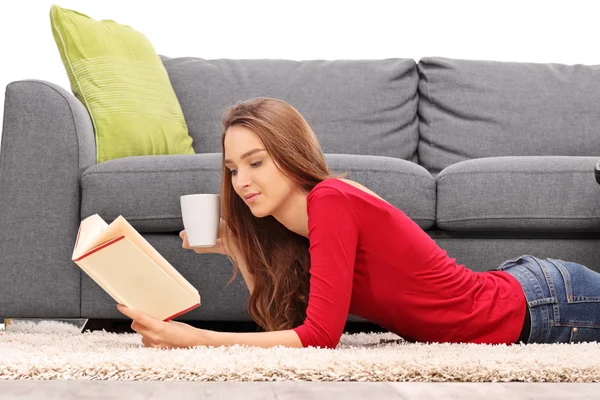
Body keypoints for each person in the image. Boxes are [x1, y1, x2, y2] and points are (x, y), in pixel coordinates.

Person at [117, 98, 600, 349]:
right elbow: (283, 325)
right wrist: (236, 249)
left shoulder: (330, 202)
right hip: (521, 285)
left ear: (289, 155)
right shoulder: (297, 226)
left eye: (256, 162)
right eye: (233, 169)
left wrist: (197, 339)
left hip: (543, 303)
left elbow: (319, 339)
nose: (242, 181)